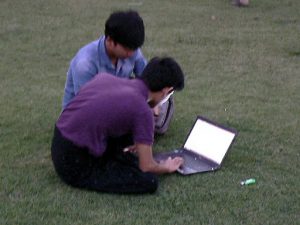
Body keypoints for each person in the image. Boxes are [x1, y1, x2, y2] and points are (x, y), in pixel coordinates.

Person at [51, 57, 185, 194]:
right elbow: (147, 166)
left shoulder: (106, 78)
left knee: (130, 151)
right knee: (148, 181)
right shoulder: (142, 110)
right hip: (72, 164)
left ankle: (118, 157)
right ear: (166, 90)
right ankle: (108, 163)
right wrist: (165, 167)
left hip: (60, 140)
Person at [62, 10, 147, 109]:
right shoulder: (85, 64)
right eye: (127, 49)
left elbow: (146, 79)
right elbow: (87, 106)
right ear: (110, 41)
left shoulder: (131, 49)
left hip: (115, 103)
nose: (132, 53)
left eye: (135, 49)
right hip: (84, 114)